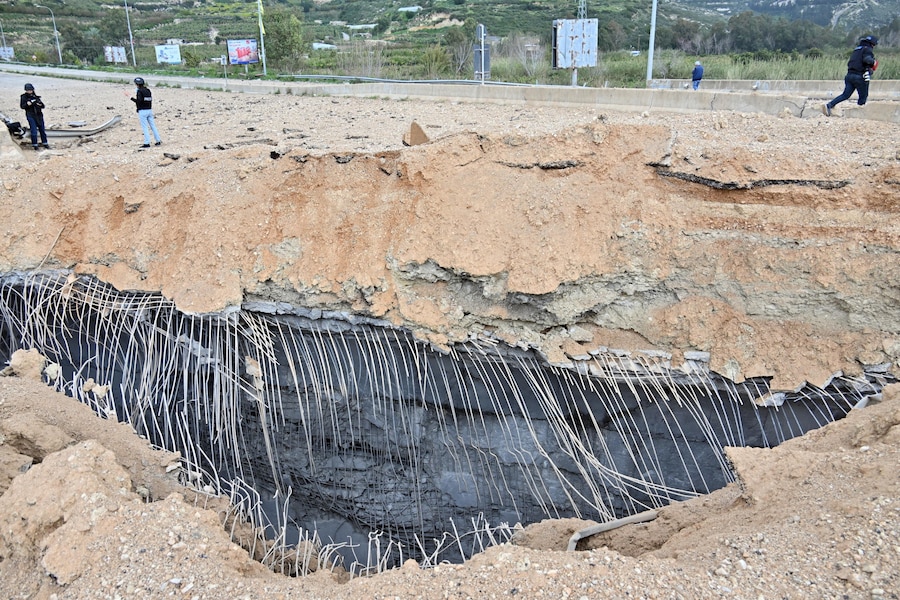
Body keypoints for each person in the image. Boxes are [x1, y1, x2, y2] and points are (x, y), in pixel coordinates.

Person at [823, 35, 878, 117]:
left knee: (845, 95)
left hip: (849, 76)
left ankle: (829, 105)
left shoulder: (856, 50)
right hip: (860, 76)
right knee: (863, 96)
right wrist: (873, 62)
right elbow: (867, 60)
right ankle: (860, 114)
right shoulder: (867, 49)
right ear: (872, 44)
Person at [130, 77, 162, 148]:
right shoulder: (148, 90)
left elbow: (139, 101)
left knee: (145, 127)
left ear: (137, 84)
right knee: (153, 126)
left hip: (143, 111)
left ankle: (147, 143)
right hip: (149, 110)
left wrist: (131, 98)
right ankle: (158, 140)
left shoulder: (139, 91)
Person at [20, 83, 50, 151]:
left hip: (39, 115)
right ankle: (35, 145)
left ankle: (45, 143)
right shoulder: (23, 97)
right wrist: (28, 104)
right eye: (28, 90)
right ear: (26, 90)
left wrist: (39, 104)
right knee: (34, 131)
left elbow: (43, 106)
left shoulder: (36, 97)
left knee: (42, 130)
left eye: (31, 90)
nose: (30, 91)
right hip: (30, 115)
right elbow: (22, 106)